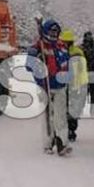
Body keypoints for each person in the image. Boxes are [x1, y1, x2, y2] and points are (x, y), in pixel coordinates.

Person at [27, 19, 71, 155]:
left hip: (60, 86)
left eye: (56, 32)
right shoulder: (38, 47)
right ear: (45, 32)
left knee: (60, 116)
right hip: (44, 86)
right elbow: (29, 66)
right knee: (47, 117)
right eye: (51, 31)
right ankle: (48, 142)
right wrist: (35, 58)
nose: (54, 34)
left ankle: (62, 142)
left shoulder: (62, 46)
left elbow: (67, 64)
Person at [61, 29, 89, 142]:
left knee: (72, 108)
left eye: (65, 42)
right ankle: (65, 129)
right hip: (65, 83)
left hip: (74, 83)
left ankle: (71, 129)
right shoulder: (63, 52)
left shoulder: (76, 52)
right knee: (64, 107)